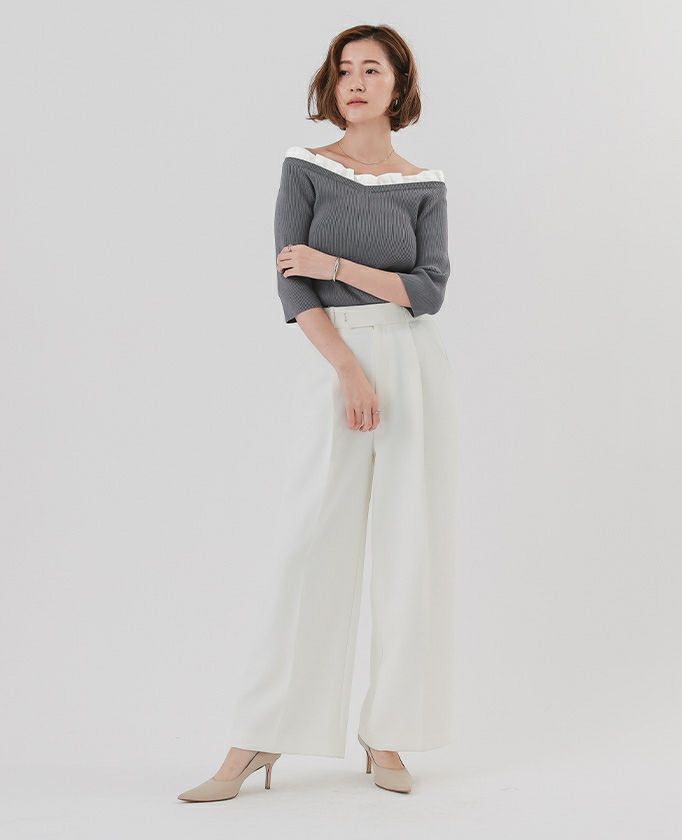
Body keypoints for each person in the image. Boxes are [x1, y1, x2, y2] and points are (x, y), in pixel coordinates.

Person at [178, 23, 458, 801]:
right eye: (344, 71)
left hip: (414, 363)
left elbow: (430, 289)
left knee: (409, 550)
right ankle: (260, 736)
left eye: (372, 70)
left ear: (399, 85)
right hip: (338, 361)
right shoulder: (305, 167)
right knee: (309, 548)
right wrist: (348, 370)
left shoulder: (424, 183)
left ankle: (387, 733)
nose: (355, 83)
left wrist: (335, 262)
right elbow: (291, 284)